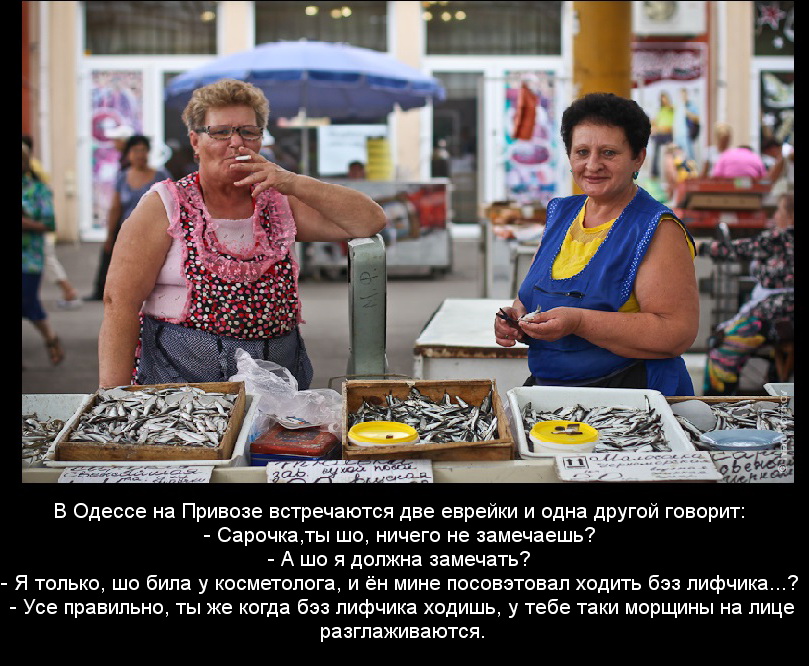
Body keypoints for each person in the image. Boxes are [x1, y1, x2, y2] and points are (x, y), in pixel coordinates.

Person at [98, 79, 386, 389]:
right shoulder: (164, 206)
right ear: (195, 141)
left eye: (248, 132)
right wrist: (112, 398)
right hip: (181, 388)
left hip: (276, 388)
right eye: (220, 132)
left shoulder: (280, 202)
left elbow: (369, 220)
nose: (236, 143)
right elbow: (120, 303)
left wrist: (292, 181)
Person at [494, 92, 699, 396]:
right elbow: (534, 296)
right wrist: (517, 319)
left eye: (608, 153)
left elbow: (675, 333)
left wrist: (579, 322)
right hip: (552, 393)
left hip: (633, 396)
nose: (592, 164)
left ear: (638, 157)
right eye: (581, 152)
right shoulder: (561, 214)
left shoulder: (657, 229)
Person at [699, 193, 794, 395]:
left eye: (779, 211)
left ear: (791, 216)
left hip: (776, 316)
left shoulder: (780, 238)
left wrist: (701, 246)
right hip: (780, 319)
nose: (776, 216)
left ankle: (718, 403)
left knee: (720, 345)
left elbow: (737, 249)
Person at [88, 135, 170, 301]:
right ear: (128, 154)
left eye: (143, 150)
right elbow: (115, 208)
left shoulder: (160, 176)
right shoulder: (122, 177)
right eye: (135, 150)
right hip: (127, 231)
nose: (140, 154)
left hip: (152, 231)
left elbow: (171, 205)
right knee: (114, 261)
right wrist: (110, 235)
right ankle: (106, 292)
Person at [22, 134, 81, 310]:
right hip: (34, 235)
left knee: (47, 260)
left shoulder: (35, 171)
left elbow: (43, 197)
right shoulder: (36, 167)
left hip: (37, 235)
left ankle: (68, 291)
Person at [22, 142, 65, 366]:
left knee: (28, 302)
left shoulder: (38, 190)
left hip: (30, 258)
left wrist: (26, 223)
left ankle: (51, 338)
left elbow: (50, 224)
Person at [650, 91, 674, 179]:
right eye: (661, 98)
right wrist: (653, 127)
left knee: (669, 154)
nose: (663, 100)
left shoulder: (671, 108)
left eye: (664, 98)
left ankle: (671, 172)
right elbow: (655, 121)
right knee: (656, 153)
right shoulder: (660, 110)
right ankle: (654, 172)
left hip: (668, 133)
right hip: (660, 133)